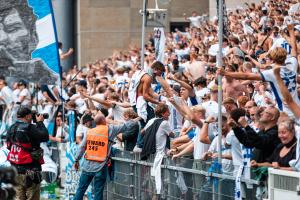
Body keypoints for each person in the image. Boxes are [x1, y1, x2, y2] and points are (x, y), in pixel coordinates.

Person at [73, 112, 136, 200]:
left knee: (81, 189)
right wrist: (137, 118)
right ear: (104, 120)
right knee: (98, 191)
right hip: (101, 165)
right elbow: (127, 126)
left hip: (87, 165)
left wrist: (76, 160)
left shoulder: (90, 132)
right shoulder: (110, 129)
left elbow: (82, 147)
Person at [0, 1, 57, 84]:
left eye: (13, 29)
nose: (2, 38)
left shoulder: (50, 79)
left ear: (33, 36)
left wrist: (50, 78)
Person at [6, 106, 49, 200]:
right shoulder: (29, 128)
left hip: (15, 171)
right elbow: (45, 137)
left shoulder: (11, 128)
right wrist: (40, 122)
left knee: (18, 198)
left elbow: (8, 146)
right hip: (31, 171)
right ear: (28, 116)